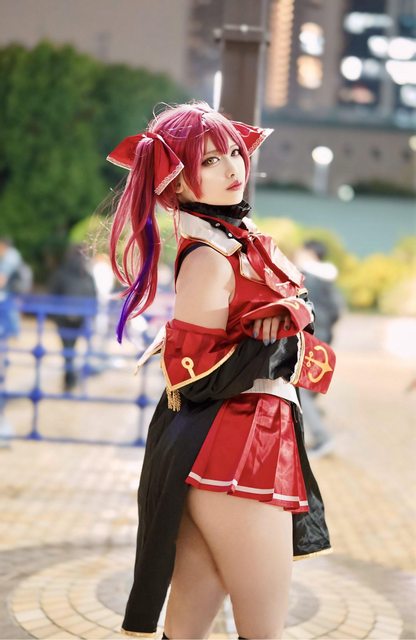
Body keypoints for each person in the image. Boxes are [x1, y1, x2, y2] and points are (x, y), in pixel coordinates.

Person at [107, 102, 336, 639]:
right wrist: (275, 341)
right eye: (210, 160)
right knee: (262, 629)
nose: (233, 167)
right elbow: (196, 376)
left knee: (188, 623)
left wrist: (284, 327)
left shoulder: (237, 245)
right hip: (236, 450)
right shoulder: (210, 257)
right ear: (176, 179)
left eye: (234, 151)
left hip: (246, 441)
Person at [295, 240, 343, 457]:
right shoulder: (328, 278)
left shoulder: (306, 277)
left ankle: (322, 437)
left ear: (311, 253)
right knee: (308, 387)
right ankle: (313, 426)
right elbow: (336, 312)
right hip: (323, 338)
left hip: (310, 337)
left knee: (301, 389)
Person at [49, 244, 97, 391]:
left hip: (64, 317)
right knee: (72, 347)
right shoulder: (86, 275)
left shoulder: (61, 272)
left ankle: (69, 378)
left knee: (67, 348)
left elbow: (53, 294)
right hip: (80, 317)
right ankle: (71, 378)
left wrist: (55, 316)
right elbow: (93, 296)